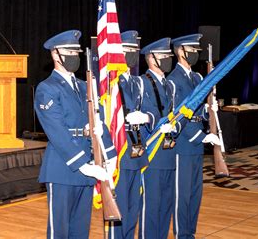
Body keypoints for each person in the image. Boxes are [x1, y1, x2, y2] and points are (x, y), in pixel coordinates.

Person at [34, 30, 117, 239]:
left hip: (89, 164)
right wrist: (84, 165)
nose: (74, 55)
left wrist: (110, 155)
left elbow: (99, 120)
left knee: (81, 230)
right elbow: (57, 132)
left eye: (76, 51)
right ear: (55, 54)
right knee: (59, 231)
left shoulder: (84, 86)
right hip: (64, 167)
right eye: (68, 51)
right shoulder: (47, 88)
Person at [168, 34, 220, 239]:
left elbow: (199, 111)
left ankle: (191, 232)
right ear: (180, 51)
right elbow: (178, 114)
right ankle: (182, 234)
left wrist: (209, 110)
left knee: (195, 194)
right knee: (182, 196)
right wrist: (201, 136)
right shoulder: (174, 80)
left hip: (197, 144)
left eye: (196, 51)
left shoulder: (197, 78)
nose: (194, 54)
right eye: (191, 50)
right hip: (184, 143)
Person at [110, 30, 150, 239]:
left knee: (133, 208)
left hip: (136, 152)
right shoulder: (110, 84)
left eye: (135, 50)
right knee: (119, 208)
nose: (132, 54)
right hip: (119, 153)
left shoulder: (136, 82)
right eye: (127, 50)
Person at [137, 37, 177, 239]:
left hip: (169, 153)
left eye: (169, 55)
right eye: (164, 55)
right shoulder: (142, 83)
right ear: (151, 58)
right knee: (150, 208)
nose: (168, 59)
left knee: (165, 207)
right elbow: (139, 113)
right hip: (151, 154)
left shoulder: (169, 86)